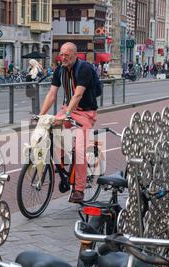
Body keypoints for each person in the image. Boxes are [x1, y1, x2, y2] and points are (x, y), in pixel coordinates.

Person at [38, 42, 98, 203]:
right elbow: (52, 94)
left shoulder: (84, 68)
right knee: (50, 130)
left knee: (79, 151)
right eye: (62, 55)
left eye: (67, 55)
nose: (63, 58)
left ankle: (79, 189)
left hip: (85, 112)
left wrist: (67, 115)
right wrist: (41, 115)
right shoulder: (59, 70)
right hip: (67, 109)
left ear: (75, 55)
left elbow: (78, 95)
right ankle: (62, 165)